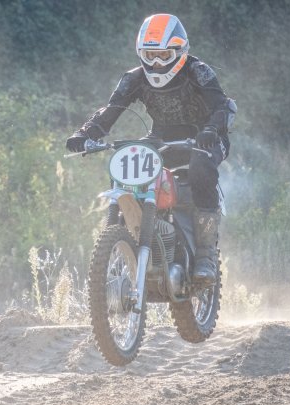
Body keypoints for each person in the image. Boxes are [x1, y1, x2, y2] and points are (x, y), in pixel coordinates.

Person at [66, 13, 236, 287]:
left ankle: (205, 255)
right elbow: (111, 110)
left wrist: (211, 130)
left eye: (164, 55)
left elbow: (224, 106)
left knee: (201, 167)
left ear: (179, 51)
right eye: (150, 55)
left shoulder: (198, 71)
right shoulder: (134, 78)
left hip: (206, 137)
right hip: (161, 138)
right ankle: (126, 239)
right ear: (140, 53)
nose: (156, 63)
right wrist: (85, 134)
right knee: (128, 168)